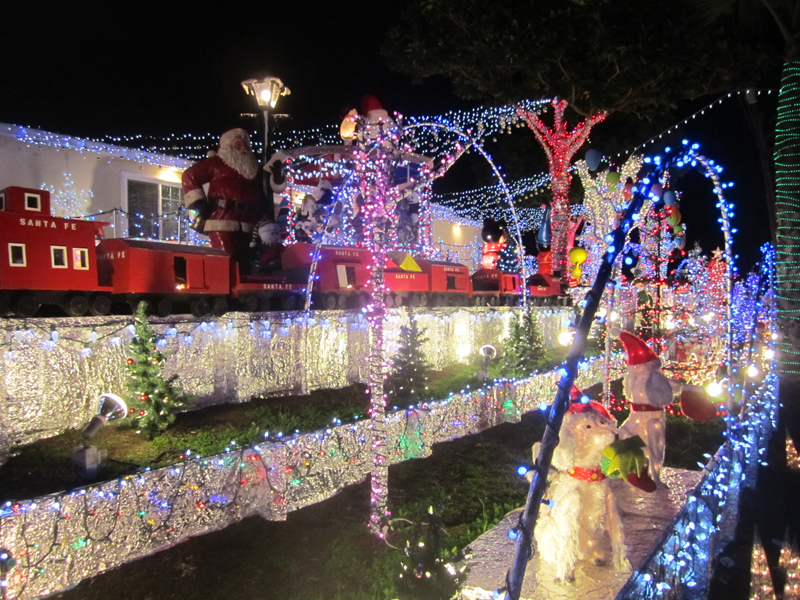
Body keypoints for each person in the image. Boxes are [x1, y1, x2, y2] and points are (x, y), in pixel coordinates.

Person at [182, 129, 268, 266]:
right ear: (228, 145)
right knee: (227, 258)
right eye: (238, 144)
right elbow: (190, 175)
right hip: (222, 218)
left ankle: (241, 284)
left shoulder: (256, 169)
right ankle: (225, 285)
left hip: (249, 221)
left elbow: (268, 188)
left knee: (246, 260)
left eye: (246, 144)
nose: (244, 148)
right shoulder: (217, 163)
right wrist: (198, 201)